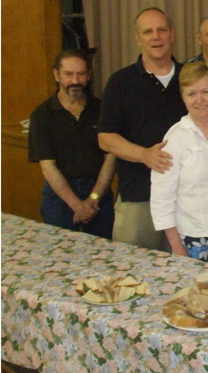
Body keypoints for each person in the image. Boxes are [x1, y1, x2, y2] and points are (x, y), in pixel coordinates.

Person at [97, 7, 187, 250]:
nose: (155, 37)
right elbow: (105, 138)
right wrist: (144, 155)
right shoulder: (120, 82)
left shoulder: (190, 79)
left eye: (161, 30)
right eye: (148, 32)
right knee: (134, 275)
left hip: (186, 200)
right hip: (138, 198)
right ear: (138, 39)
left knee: (184, 277)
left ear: (172, 34)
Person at [150, 62, 208, 264]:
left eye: (205, 91)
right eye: (191, 94)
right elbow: (161, 199)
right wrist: (178, 249)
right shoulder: (175, 139)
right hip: (192, 240)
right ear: (182, 98)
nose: (200, 100)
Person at [28, 49, 115, 239]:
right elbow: (48, 167)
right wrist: (77, 205)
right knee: (59, 257)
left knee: (103, 256)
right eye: (68, 74)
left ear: (89, 75)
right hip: (59, 198)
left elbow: (111, 157)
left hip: (99, 194)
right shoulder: (41, 115)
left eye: (81, 74)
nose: (75, 80)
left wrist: (93, 200)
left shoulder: (103, 110)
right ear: (56, 75)